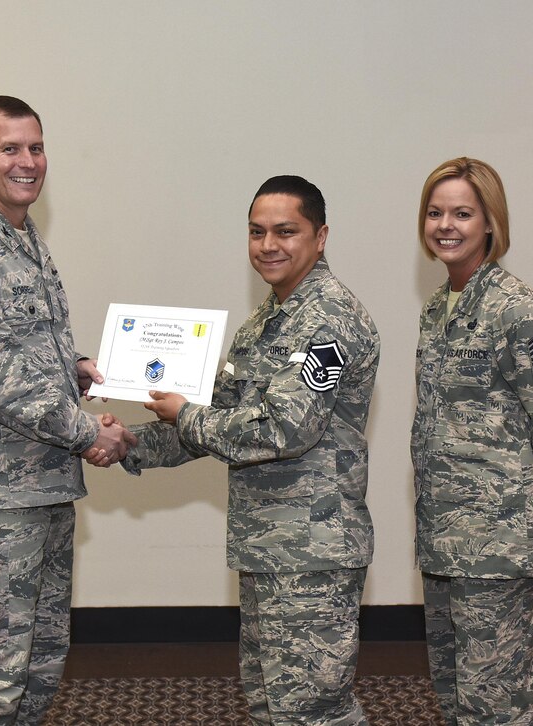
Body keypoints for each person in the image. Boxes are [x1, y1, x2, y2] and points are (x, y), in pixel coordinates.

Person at [120, 175, 380, 725]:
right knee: (270, 705)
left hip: (312, 554)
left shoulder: (329, 322)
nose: (268, 245)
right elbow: (221, 415)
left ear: (321, 235)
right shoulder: (266, 320)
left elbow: (285, 428)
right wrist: (125, 443)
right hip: (269, 549)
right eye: (257, 232)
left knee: (312, 712)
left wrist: (187, 415)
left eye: (286, 231)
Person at [0, 95, 135, 725]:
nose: (27, 161)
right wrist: (88, 430)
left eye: (36, 148)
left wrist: (78, 370)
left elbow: (21, 353)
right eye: (9, 148)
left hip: (43, 492)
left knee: (37, 670)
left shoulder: (24, 241)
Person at [411, 157, 533, 725]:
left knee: (497, 708)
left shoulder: (521, 311)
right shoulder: (439, 309)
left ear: (491, 222)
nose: (447, 225)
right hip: (446, 543)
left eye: (463, 213)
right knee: (455, 696)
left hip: (500, 550)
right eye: (436, 212)